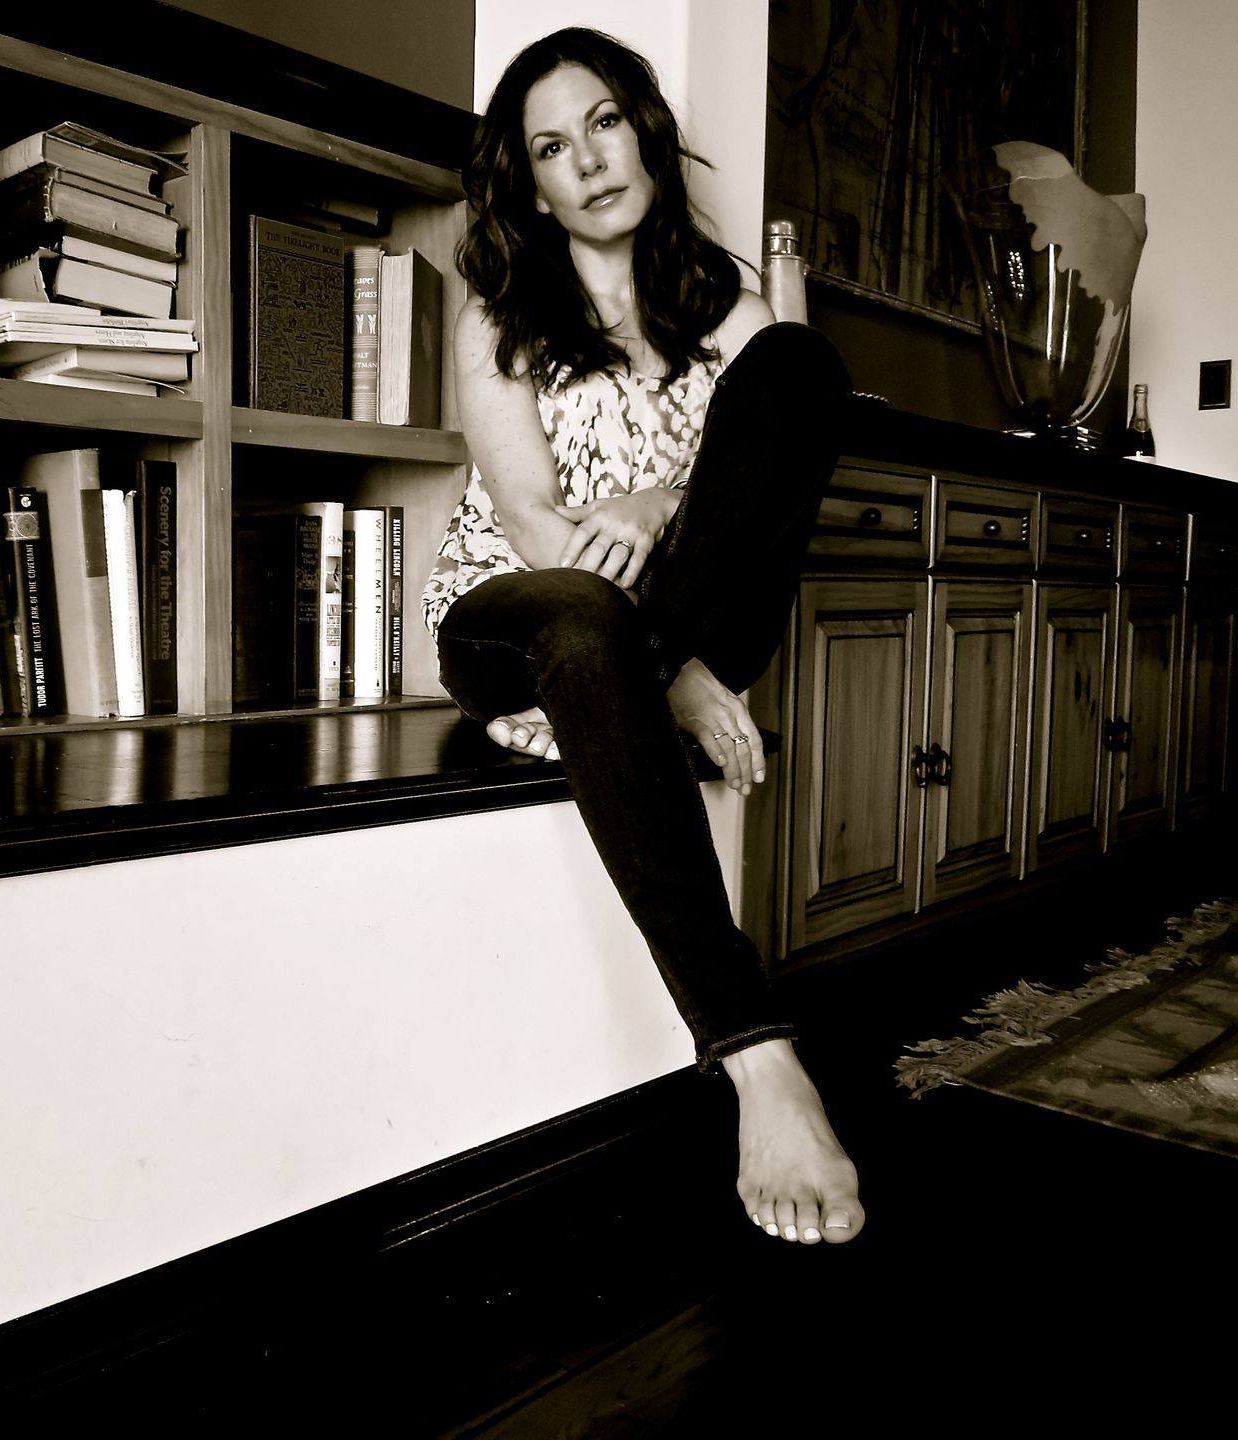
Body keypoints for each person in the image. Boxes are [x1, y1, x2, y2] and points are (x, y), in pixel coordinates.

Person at [425, 27, 864, 1245]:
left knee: (801, 370)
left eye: (605, 123)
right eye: (549, 148)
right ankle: (758, 1055)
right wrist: (662, 656)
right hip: (519, 616)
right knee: (581, 616)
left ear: (646, 133)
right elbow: (531, 524)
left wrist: (658, 502)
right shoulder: (502, 311)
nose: (587, 161)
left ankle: (648, 674)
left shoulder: (729, 308)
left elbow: (756, 487)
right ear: (532, 185)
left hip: (651, 634)